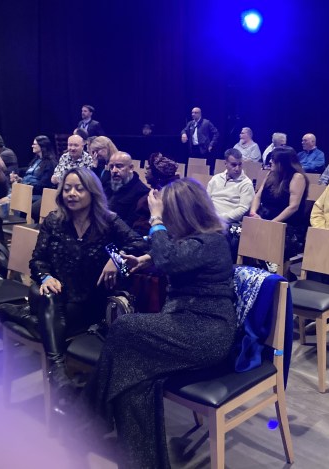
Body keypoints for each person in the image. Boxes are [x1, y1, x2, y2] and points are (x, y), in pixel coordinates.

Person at [79, 178, 237, 468]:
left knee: (125, 327)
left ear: (183, 213)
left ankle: (89, 416)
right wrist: (144, 259)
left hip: (207, 334)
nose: (167, 220)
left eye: (170, 214)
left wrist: (155, 218)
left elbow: (172, 259)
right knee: (135, 381)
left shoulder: (215, 240)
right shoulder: (196, 240)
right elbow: (174, 255)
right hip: (181, 325)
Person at [17, 168, 147, 398]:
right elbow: (37, 260)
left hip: (91, 301)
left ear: (92, 192)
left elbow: (140, 244)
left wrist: (115, 258)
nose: (72, 194)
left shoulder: (108, 221)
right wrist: (46, 277)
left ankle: (22, 316)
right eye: (67, 189)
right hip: (57, 296)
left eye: (79, 188)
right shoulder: (54, 221)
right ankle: (57, 370)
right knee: (49, 296)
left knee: (48, 308)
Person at [250, 146, 308, 261]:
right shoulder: (270, 174)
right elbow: (258, 195)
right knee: (239, 234)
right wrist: (253, 213)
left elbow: (293, 207)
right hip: (263, 218)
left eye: (274, 159)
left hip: (285, 224)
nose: (270, 161)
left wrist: (272, 224)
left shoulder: (297, 177)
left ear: (283, 163)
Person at [132, 152, 179, 236]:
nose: (146, 170)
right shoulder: (173, 189)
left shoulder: (152, 198)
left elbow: (141, 230)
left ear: (158, 175)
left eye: (149, 168)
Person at [207, 148, 255, 224]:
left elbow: (243, 209)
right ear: (225, 164)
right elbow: (206, 199)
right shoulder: (216, 178)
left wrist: (220, 218)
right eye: (233, 165)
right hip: (209, 217)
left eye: (240, 164)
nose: (237, 168)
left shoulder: (246, 183)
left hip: (227, 222)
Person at [104, 151, 149, 227]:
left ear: (131, 168)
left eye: (119, 166)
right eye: (111, 167)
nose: (114, 170)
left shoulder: (142, 193)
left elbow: (134, 227)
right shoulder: (107, 186)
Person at [11, 135, 58, 202]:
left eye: (34, 144)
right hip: (25, 190)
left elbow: (44, 185)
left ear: (42, 146)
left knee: (12, 200)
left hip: (36, 194)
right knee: (6, 198)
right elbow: (29, 177)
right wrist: (19, 180)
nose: (32, 146)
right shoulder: (36, 160)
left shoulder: (50, 164)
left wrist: (25, 186)